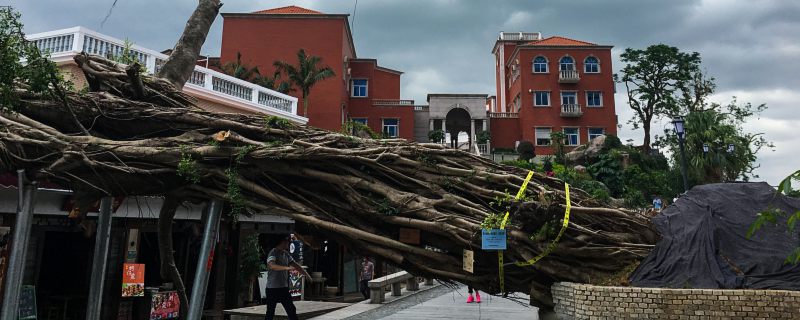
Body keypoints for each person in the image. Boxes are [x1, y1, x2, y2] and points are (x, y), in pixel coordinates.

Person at [265, 235, 311, 320]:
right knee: (270, 312)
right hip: (272, 288)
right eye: (287, 241)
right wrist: (287, 268)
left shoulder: (286, 253)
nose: (289, 243)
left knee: (291, 309)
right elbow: (272, 266)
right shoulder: (273, 252)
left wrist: (306, 274)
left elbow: (296, 266)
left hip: (283, 288)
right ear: (282, 242)